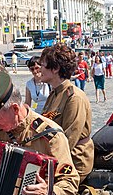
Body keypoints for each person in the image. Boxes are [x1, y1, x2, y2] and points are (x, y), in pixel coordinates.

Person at [40, 43, 94, 182]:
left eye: (43, 65)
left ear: (56, 69)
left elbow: (69, 139)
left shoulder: (74, 98)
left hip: (74, 162)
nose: (40, 69)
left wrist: (44, 166)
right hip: (55, 157)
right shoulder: (55, 93)